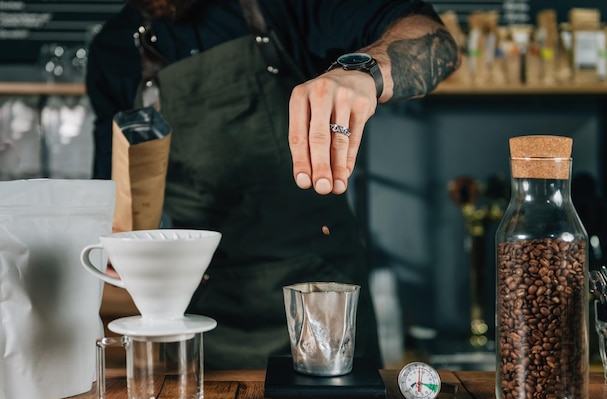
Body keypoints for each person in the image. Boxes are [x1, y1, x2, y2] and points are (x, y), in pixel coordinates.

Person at [86, 0, 460, 369]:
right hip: (198, 316)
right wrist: (117, 240)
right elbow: (115, 192)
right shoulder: (113, 48)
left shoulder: (282, 6)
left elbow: (437, 41)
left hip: (322, 299)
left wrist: (364, 71)